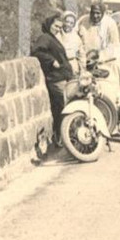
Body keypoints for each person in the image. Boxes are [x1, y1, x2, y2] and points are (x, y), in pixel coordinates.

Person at [32, 14, 73, 143]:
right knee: (64, 105)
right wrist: (51, 61)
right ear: (49, 24)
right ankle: (61, 136)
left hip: (62, 76)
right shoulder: (45, 37)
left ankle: (63, 135)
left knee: (63, 106)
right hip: (56, 79)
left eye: (60, 27)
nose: (57, 29)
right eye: (55, 26)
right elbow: (37, 51)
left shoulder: (52, 38)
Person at [59, 10, 86, 75]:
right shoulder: (57, 34)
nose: (68, 25)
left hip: (73, 66)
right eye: (67, 22)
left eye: (71, 23)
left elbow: (81, 55)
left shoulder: (76, 38)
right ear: (63, 21)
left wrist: (82, 69)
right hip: (59, 67)